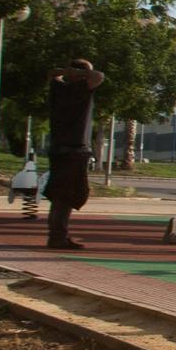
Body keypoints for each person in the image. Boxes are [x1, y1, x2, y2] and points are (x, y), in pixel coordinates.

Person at [44, 59, 104, 249]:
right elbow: (98, 77)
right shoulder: (82, 89)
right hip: (75, 149)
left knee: (60, 195)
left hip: (58, 148)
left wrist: (65, 71)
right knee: (68, 195)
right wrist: (80, 73)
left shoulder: (58, 87)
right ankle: (57, 237)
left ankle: (57, 235)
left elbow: (52, 73)